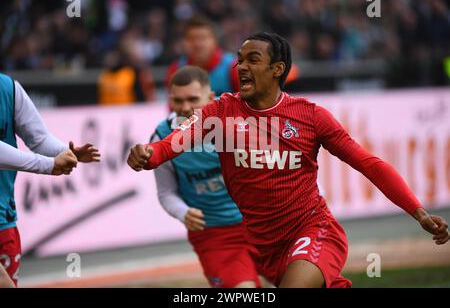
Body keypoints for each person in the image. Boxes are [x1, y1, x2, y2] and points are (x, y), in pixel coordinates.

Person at [127, 32, 449, 288]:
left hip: (313, 228)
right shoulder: (220, 112)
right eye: (239, 60)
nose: (241, 67)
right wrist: (146, 154)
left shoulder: (311, 117)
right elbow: (168, 147)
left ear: (277, 69)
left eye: (253, 60)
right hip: (263, 246)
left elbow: (369, 164)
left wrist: (417, 212)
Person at [150, 66, 260, 288]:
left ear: (211, 97)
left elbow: (285, 161)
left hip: (263, 222)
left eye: (193, 99)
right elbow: (166, 192)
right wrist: (183, 212)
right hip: (215, 234)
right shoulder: (162, 137)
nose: (185, 108)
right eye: (178, 102)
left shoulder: (240, 117)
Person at [0, 73, 101, 286]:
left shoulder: (8, 88)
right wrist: (49, 164)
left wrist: (65, 152)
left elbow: (39, 138)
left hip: (3, 220)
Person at [165, 16, 240, 103]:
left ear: (215, 40)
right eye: (192, 39)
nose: (197, 44)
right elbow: (173, 108)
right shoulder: (175, 70)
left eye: (203, 38)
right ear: (184, 42)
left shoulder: (233, 67)